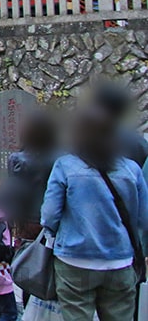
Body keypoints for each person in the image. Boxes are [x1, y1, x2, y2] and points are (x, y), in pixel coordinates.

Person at [41, 102, 148, 321]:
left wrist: (54, 234)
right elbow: (143, 218)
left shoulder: (65, 165)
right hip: (120, 259)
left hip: (74, 258)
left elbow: (49, 215)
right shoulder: (131, 169)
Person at [1, 109, 58, 242]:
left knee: (27, 257)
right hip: (56, 222)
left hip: (26, 221)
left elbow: (15, 191)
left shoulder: (17, 159)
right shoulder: (61, 158)